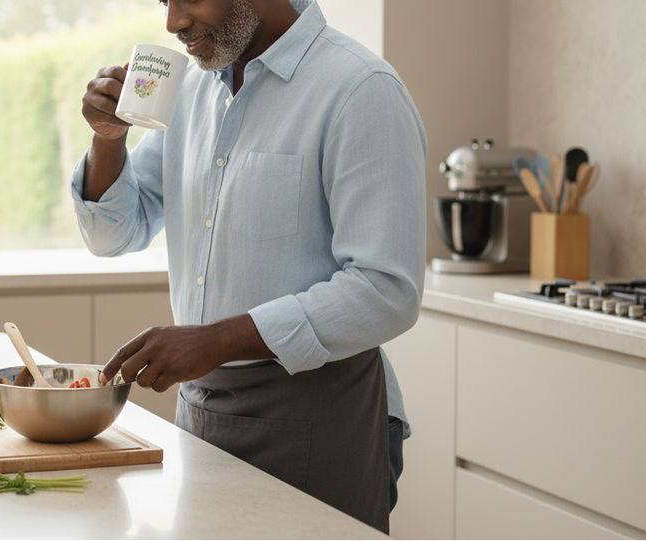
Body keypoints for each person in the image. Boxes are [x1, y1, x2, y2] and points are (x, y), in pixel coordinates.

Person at [71, 0, 426, 533]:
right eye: (163, 1)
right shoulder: (191, 90)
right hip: (201, 408)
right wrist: (108, 139)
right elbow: (114, 232)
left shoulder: (360, 89)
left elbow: (385, 290)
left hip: (319, 413)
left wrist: (215, 340)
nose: (173, 22)